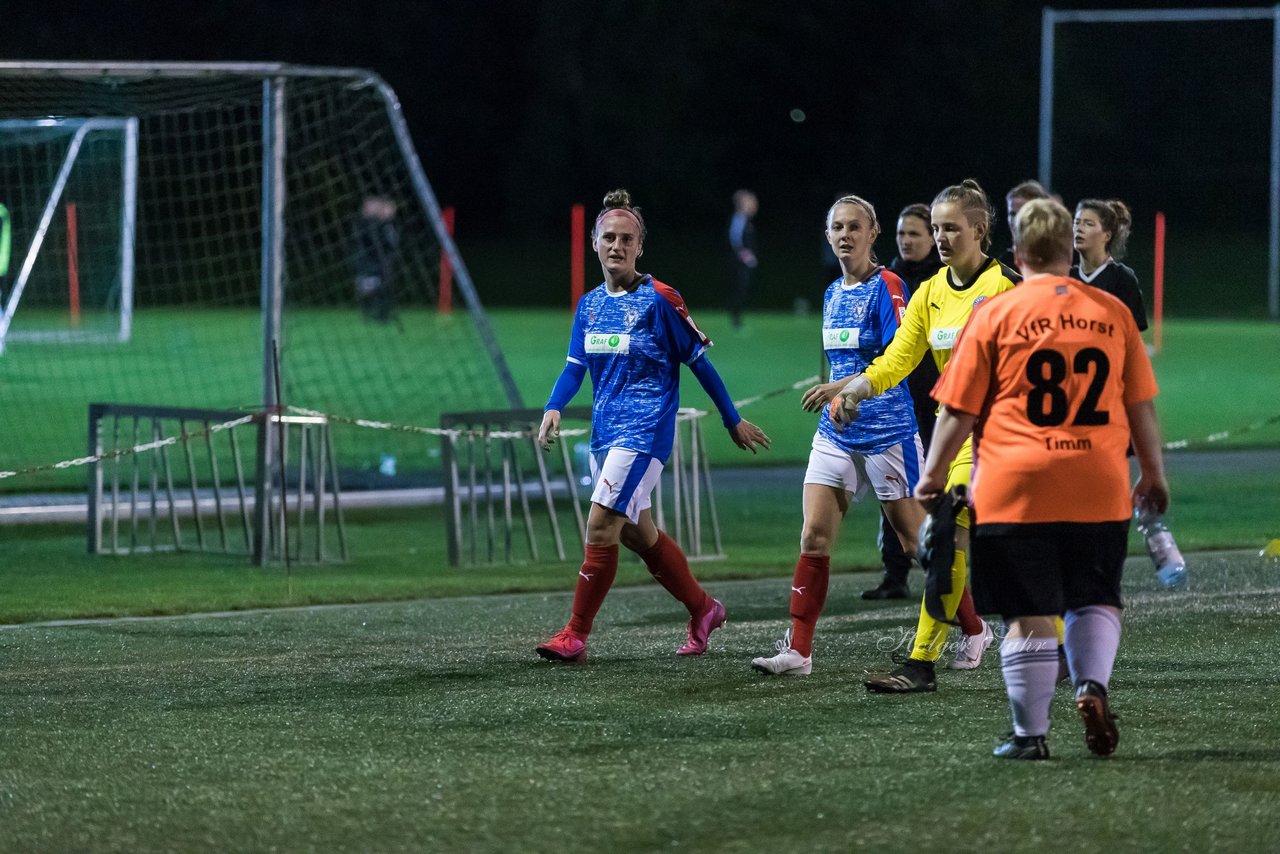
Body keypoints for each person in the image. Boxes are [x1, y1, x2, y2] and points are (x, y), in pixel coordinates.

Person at [917, 197, 1169, 759]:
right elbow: (1142, 406)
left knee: (1028, 617)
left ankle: (1031, 736)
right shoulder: (1111, 312)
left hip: (1015, 487)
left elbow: (958, 410)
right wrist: (1152, 473)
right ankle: (1090, 685)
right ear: (1067, 248)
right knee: (1094, 599)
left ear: (1017, 251)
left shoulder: (994, 313)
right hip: (1097, 482)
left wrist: (933, 476)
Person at [535, 188, 771, 664]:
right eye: (608, 238)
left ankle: (575, 634)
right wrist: (554, 405)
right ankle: (704, 609)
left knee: (601, 522)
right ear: (595, 244)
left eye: (626, 238)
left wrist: (731, 419)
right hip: (606, 433)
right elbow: (574, 366)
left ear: (640, 246)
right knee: (635, 533)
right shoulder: (589, 305)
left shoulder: (660, 299)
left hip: (646, 432)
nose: (616, 246)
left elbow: (700, 363)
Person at [838, 179, 1019, 691]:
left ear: (979, 229)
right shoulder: (931, 292)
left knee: (984, 542)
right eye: (936, 228)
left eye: (951, 228)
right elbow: (898, 358)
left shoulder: (1005, 287)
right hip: (953, 434)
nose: (940, 237)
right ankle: (925, 661)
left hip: (998, 436)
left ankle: (931, 659)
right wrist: (857, 390)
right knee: (951, 540)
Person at [750, 195, 925, 676]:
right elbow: (836, 364)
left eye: (854, 227)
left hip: (887, 430)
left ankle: (974, 627)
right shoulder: (831, 293)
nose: (845, 235)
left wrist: (841, 387)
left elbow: (899, 359)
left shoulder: (888, 285)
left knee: (915, 544)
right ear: (827, 236)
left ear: (873, 234)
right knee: (814, 536)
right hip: (837, 431)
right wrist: (834, 398)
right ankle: (799, 650)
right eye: (837, 228)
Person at [862, 203, 944, 601]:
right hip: (895, 403)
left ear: (932, 237)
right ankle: (894, 575)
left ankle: (947, 571)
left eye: (915, 234)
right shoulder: (887, 279)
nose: (907, 241)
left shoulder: (944, 280)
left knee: (937, 488)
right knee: (892, 491)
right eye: (901, 234)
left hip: (937, 403)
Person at [1071, 198, 1148, 330]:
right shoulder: (1067, 277)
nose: (1079, 228)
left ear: (1107, 236)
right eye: (1076, 223)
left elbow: (1132, 335)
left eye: (1088, 224)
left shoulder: (1122, 279)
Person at [351, 194, 400, 324]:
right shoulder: (365, 224)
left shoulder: (388, 225)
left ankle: (383, 313)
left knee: (383, 286)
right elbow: (365, 241)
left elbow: (391, 243)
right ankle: (371, 312)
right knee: (367, 287)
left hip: (383, 260)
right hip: (369, 261)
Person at [998, 180, 1050, 269]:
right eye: (1012, 214)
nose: (1015, 221)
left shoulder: (1056, 260)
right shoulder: (1004, 264)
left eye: (1022, 214)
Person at [727, 189, 759, 330]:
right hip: (739, 262)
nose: (754, 205)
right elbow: (735, 238)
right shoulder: (740, 218)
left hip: (744, 261)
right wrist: (745, 255)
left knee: (743, 288)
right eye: (751, 202)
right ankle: (736, 319)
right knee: (739, 288)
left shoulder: (746, 219)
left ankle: (737, 317)